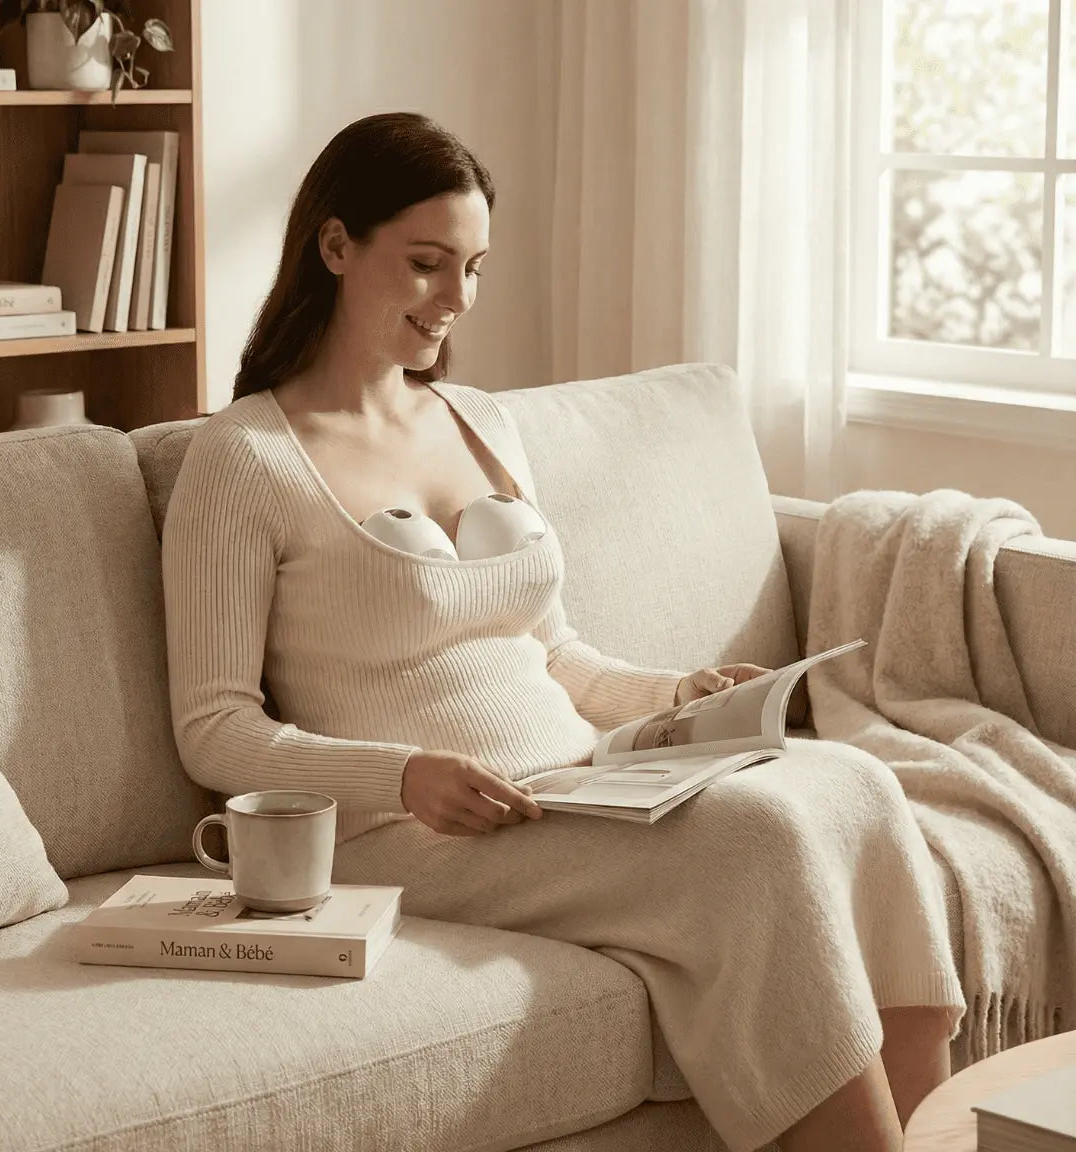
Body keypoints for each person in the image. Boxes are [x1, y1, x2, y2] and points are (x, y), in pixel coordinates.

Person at [160, 111, 965, 1152]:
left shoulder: (481, 422)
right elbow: (212, 729)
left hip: (575, 782)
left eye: (475, 267)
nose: (459, 299)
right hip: (414, 837)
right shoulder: (247, 460)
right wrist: (403, 776)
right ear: (334, 246)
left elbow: (554, 652)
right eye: (427, 264)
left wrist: (679, 698)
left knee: (855, 783)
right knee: (755, 841)